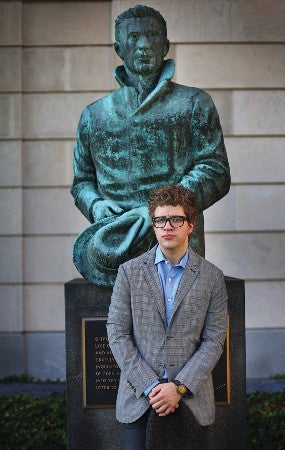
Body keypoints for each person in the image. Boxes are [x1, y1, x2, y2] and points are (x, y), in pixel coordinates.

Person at [71, 5, 230, 287]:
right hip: (115, 243)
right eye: (134, 38)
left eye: (152, 36)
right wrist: (96, 206)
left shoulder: (194, 103)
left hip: (176, 243)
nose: (143, 45)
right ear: (119, 48)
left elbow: (215, 171)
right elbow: (82, 180)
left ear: (165, 45)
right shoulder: (94, 115)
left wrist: (160, 211)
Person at [107, 184, 228, 449]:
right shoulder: (129, 273)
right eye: (160, 220)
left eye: (176, 219)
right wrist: (150, 385)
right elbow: (117, 334)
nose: (167, 226)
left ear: (190, 225)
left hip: (191, 401)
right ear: (153, 225)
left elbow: (214, 339)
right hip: (139, 400)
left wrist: (180, 387)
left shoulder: (212, 277)